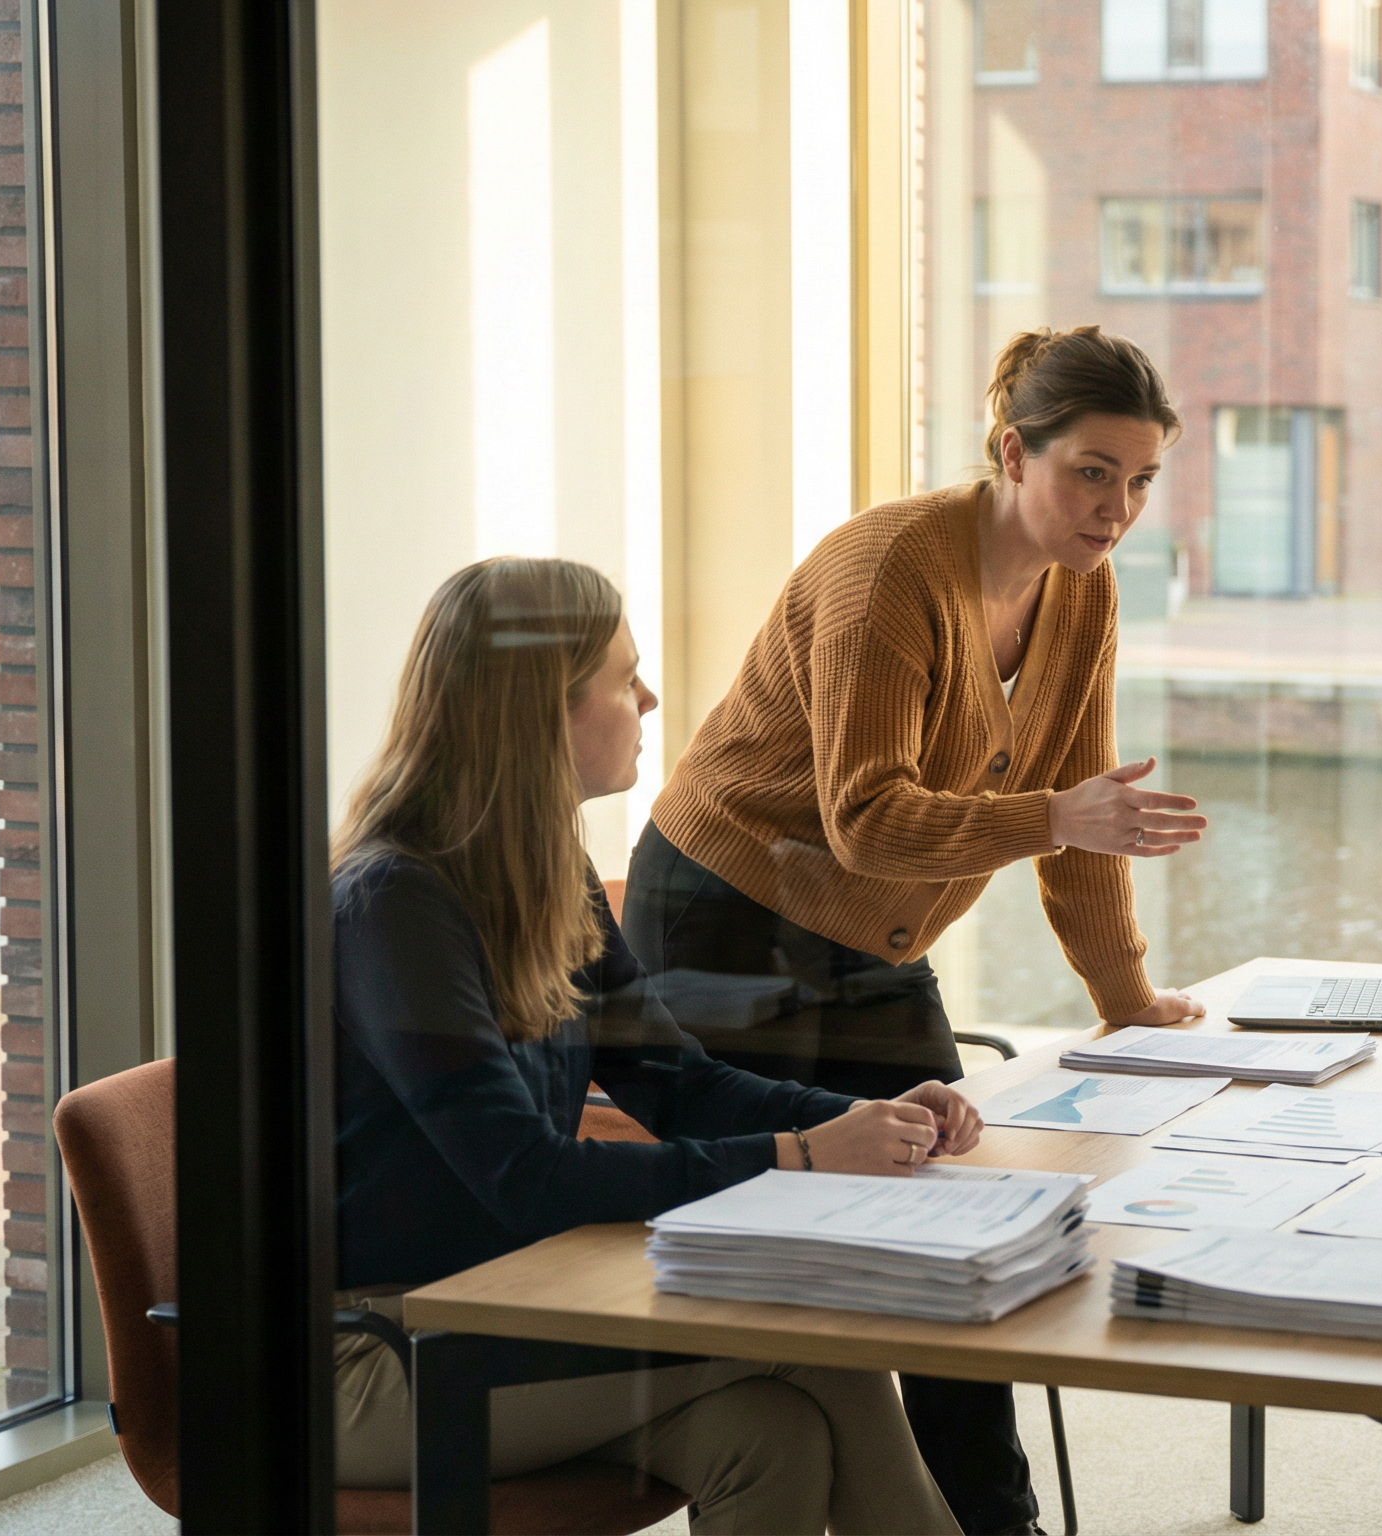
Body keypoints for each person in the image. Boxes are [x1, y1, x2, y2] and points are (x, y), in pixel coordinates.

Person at [626, 325, 1208, 1534]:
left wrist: (1126, 1001)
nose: (1117, 509)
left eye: (1141, 480)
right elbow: (866, 821)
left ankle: (996, 1526)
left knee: (965, 1225)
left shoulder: (1081, 592)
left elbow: (1083, 817)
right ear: (1014, 451)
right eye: (1092, 471)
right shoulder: (890, 568)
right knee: (760, 1229)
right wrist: (1054, 813)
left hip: (868, 941)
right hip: (727, 912)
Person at [331, 556, 973, 1534]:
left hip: (514, 1303)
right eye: (623, 678)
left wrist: (861, 1122)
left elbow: (679, 1083)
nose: (650, 698)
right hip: (372, 1351)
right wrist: (795, 1158)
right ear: (540, 710)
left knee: (772, 1436)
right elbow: (524, 1176)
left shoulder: (548, 876)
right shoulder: (393, 907)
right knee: (817, 1341)